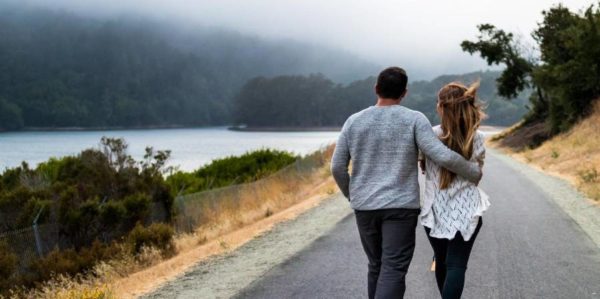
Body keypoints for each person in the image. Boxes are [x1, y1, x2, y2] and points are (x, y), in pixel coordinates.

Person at [331, 67, 482, 299]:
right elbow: (441, 155)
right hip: (400, 209)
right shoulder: (414, 119)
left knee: (376, 266)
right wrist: (473, 172)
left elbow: (337, 167)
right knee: (393, 268)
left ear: (376, 89)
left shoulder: (353, 121)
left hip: (364, 208)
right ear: (404, 93)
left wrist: (353, 194)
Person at [419, 81, 490, 299]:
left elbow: (423, 167)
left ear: (441, 107)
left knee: (441, 262)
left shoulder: (429, 135)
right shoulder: (477, 137)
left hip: (435, 211)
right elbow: (478, 174)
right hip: (467, 209)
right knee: (457, 264)